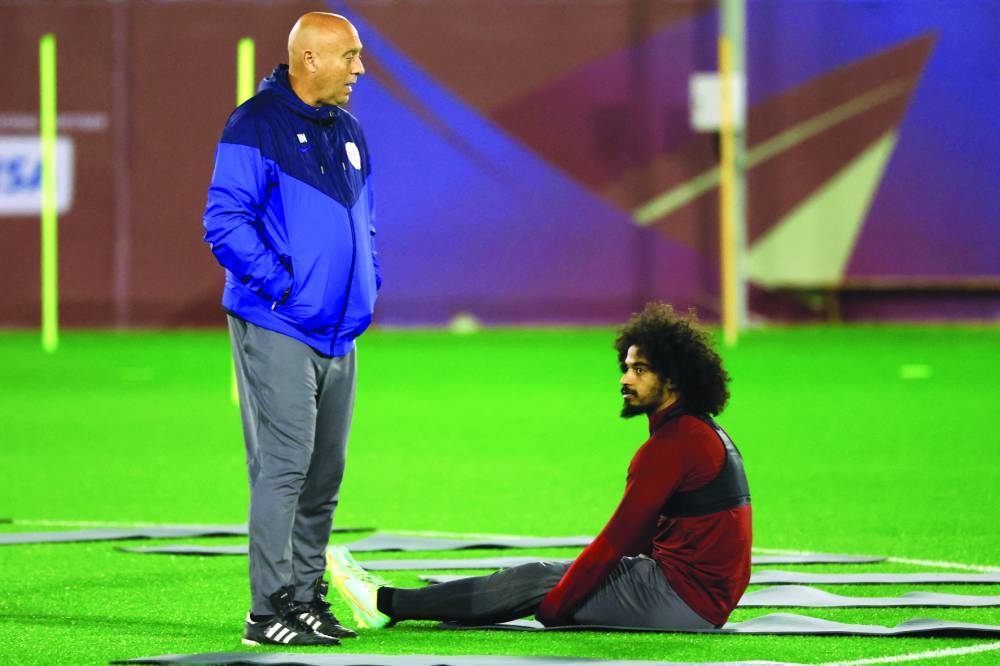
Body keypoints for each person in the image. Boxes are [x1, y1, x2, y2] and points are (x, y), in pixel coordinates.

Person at [326, 302, 751, 631]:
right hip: (694, 595)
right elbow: (639, 541)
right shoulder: (699, 432)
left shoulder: (672, 446)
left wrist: (559, 603)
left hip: (683, 600)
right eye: (625, 367)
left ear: (673, 379)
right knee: (541, 576)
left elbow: (617, 540)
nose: (625, 379)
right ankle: (391, 602)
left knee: (537, 583)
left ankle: (384, 604)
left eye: (640, 370)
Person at [202, 12, 380, 647]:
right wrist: (285, 289)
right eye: (351, 57)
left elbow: (367, 228)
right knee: (284, 467)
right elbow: (224, 221)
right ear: (311, 60)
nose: (360, 69)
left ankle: (304, 599)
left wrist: (368, 285)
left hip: (340, 334)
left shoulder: (350, 130)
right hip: (278, 324)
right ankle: (266, 611)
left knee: (324, 474)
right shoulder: (254, 124)